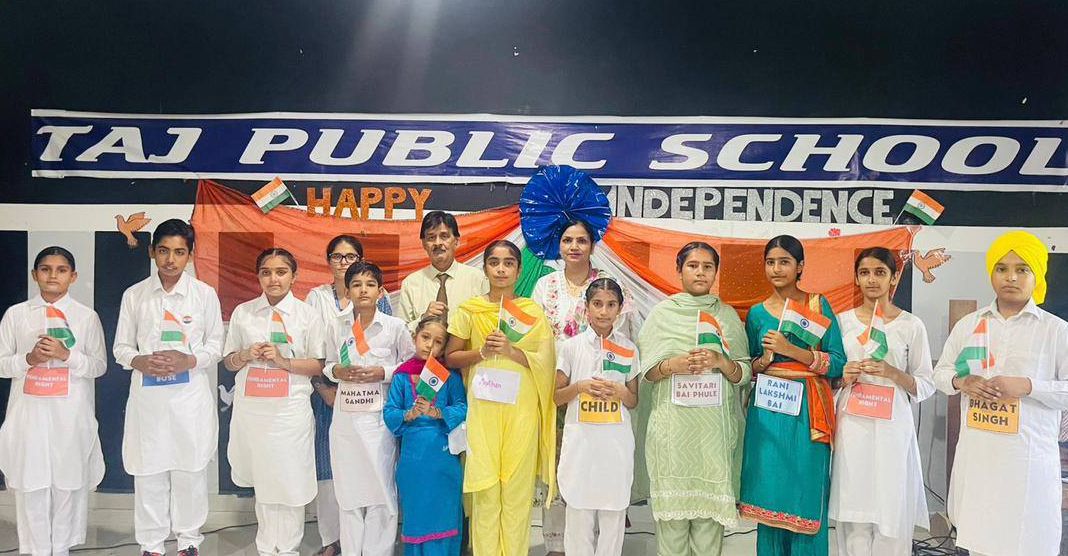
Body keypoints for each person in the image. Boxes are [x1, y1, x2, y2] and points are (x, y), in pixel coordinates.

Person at [933, 231, 1068, 556]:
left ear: (1037, 275)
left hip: (1028, 464)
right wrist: (961, 382)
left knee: (1028, 543)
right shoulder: (969, 324)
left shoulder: (1055, 330)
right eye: (1002, 268)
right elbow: (940, 373)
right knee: (979, 542)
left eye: (1022, 269)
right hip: (978, 460)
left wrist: (1028, 386)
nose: (1010, 277)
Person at [113, 219, 224, 556]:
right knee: (149, 472)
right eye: (163, 251)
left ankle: (189, 542)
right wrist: (139, 361)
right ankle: (151, 545)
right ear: (151, 252)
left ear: (190, 255)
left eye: (179, 252)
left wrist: (189, 360)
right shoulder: (135, 295)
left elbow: (216, 346)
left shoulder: (204, 294)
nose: (170, 260)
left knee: (190, 470)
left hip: (189, 399)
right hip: (148, 400)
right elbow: (121, 348)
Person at [444, 240, 556, 556]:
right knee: (486, 489)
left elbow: (546, 362)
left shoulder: (532, 313)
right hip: (483, 411)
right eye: (494, 262)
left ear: (519, 271)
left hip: (521, 411)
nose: (501, 269)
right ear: (485, 269)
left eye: (509, 263)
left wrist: (510, 350)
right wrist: (481, 352)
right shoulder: (470, 310)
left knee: (517, 491)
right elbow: (451, 357)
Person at [638, 242, 751, 556]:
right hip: (672, 437)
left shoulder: (726, 316)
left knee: (708, 534)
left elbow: (744, 373)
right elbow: (645, 372)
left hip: (712, 439)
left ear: (716, 272)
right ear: (679, 270)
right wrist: (672, 365)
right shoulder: (662, 314)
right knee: (672, 535)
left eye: (707, 266)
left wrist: (720, 361)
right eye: (692, 265)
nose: (700, 272)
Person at [739, 235, 845, 556]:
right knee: (769, 490)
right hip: (767, 413)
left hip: (808, 414)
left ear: (800, 267)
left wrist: (792, 350)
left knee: (804, 490)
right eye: (770, 262)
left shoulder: (817, 305)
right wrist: (764, 360)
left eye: (784, 262)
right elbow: (750, 365)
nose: (776, 269)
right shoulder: (757, 313)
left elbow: (837, 362)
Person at [0, 247, 106, 556]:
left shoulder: (86, 317)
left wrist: (66, 355)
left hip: (70, 415)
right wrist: (29, 359)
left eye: (61, 270)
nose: (53, 276)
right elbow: (2, 364)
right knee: (31, 485)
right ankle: (36, 550)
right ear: (35, 275)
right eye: (46, 269)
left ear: (73, 276)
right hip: (29, 415)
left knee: (67, 484)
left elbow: (98, 366)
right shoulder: (16, 315)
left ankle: (60, 549)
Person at [829, 247, 935, 555]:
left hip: (892, 428)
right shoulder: (842, 322)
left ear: (894, 277)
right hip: (852, 426)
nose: (872, 280)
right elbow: (828, 378)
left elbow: (926, 384)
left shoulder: (911, 326)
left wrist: (893, 373)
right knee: (854, 508)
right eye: (865, 273)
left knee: (891, 507)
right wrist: (842, 377)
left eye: (880, 272)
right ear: (856, 279)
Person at [224, 248, 325, 556]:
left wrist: (283, 362)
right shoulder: (244, 313)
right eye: (266, 272)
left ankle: (289, 548)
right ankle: (267, 548)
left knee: (290, 480)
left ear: (294, 276)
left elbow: (319, 365)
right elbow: (229, 362)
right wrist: (245, 354)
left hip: (289, 412)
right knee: (265, 481)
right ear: (258, 276)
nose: (273, 279)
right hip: (254, 411)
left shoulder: (308, 315)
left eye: (281, 272)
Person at [304, 234, 392, 556]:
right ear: (329, 261)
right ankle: (334, 540)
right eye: (338, 256)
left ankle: (374, 545)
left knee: (373, 473)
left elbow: (398, 355)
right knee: (332, 471)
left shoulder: (383, 305)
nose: (344, 262)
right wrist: (326, 386)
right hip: (330, 398)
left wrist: (381, 373)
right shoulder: (319, 301)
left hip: (373, 404)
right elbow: (317, 354)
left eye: (351, 256)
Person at [325, 261, 415, 556]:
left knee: (380, 491)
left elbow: (411, 365)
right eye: (356, 285)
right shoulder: (336, 325)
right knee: (348, 492)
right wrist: (337, 371)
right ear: (347, 291)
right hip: (345, 423)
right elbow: (327, 364)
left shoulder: (395, 327)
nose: (363, 290)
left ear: (380, 291)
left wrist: (383, 372)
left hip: (378, 422)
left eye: (370, 284)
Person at [554, 278, 640, 556]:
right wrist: (580, 387)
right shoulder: (571, 347)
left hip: (615, 446)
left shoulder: (629, 348)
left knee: (613, 515)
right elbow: (556, 396)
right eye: (598, 304)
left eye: (611, 305)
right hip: (581, 445)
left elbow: (633, 400)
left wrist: (619, 391)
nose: (604, 311)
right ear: (587, 307)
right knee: (578, 514)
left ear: (620, 309)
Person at [384, 316, 468, 556]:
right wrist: (408, 414)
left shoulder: (449, 375)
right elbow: (390, 412)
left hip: (443, 457)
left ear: (444, 347)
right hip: (413, 459)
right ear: (414, 338)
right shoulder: (402, 376)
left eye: (438, 342)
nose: (430, 345)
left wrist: (438, 412)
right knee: (417, 516)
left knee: (444, 515)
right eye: (425, 337)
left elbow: (462, 407)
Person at [399, 211, 488, 331]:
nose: (437, 243)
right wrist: (423, 319)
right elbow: (401, 333)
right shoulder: (410, 283)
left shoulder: (478, 279)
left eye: (444, 236)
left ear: (456, 241)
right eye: (431, 237)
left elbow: (488, 324)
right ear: (424, 244)